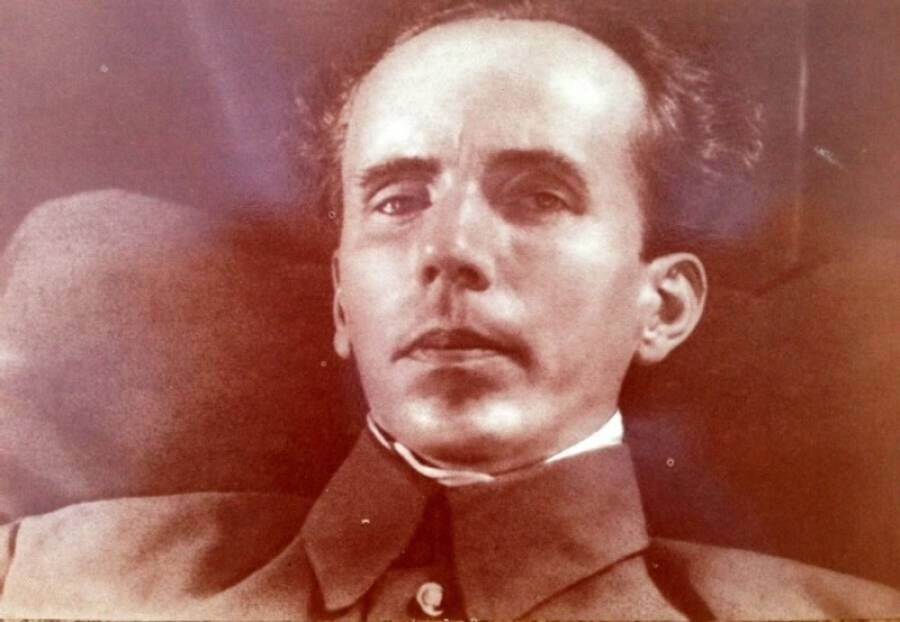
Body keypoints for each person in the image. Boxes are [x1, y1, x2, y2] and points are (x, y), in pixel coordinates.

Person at [1, 1, 898, 619]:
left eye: (539, 196)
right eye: (398, 200)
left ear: (660, 304)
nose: (451, 249)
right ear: (342, 302)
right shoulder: (47, 581)